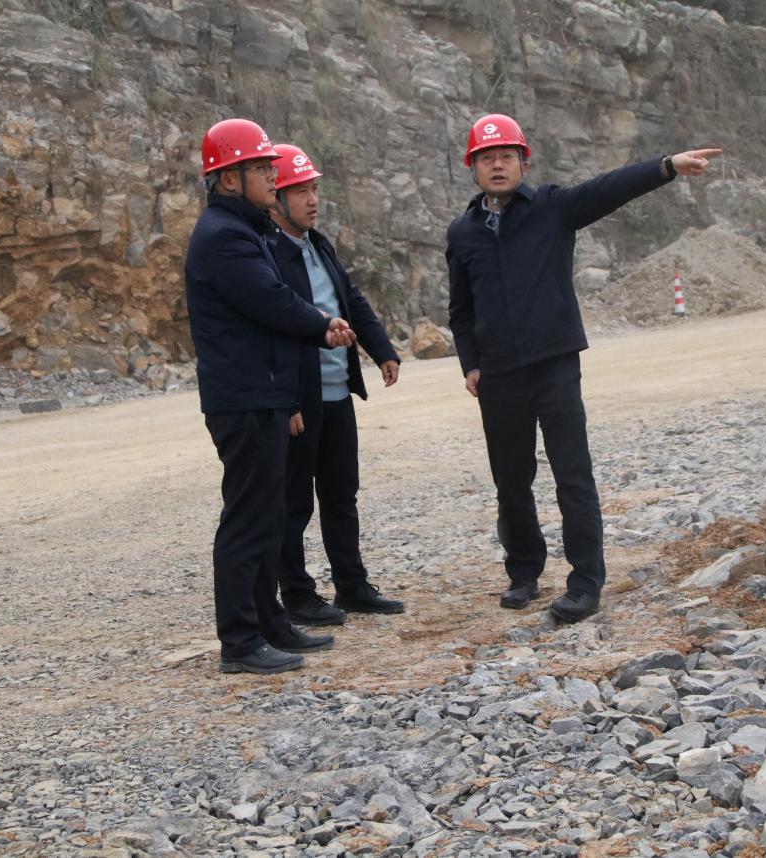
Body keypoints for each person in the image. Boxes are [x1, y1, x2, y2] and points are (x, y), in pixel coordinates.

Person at [445, 113, 721, 623]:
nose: (497, 165)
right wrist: (471, 364)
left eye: (506, 156)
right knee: (511, 481)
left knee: (572, 475)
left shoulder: (552, 207)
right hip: (499, 375)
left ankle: (585, 582)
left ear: (524, 163)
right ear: (473, 168)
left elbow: (609, 189)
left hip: (553, 365)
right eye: (487, 158)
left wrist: (667, 166)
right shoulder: (462, 233)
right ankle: (524, 573)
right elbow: (461, 310)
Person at [185, 118, 358, 675]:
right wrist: (321, 325)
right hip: (244, 399)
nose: (271, 175)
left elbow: (277, 298)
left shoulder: (246, 229)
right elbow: (271, 301)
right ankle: (240, 641)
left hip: (263, 395)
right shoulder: (224, 236)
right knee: (248, 520)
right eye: (260, 168)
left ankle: (271, 625)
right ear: (229, 179)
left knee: (266, 517)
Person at [266, 143, 406, 626]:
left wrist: (382, 350)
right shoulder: (268, 253)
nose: (312, 200)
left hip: (336, 394)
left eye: (314, 189)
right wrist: (285, 400)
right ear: (276, 199)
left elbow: (352, 300)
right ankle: (297, 596)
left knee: (341, 495)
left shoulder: (318, 245)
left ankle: (352, 586)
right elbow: (272, 332)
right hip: (300, 400)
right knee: (294, 503)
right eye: (300, 190)